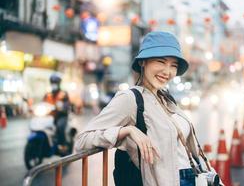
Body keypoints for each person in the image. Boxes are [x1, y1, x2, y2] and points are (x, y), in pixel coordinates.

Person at [75, 32, 213, 186]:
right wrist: (127, 131)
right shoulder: (130, 98)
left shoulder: (166, 98)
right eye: (161, 62)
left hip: (193, 177)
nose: (167, 72)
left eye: (173, 65)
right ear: (143, 62)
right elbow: (82, 140)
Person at [44, 74, 70, 149]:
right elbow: (43, 103)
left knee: (60, 127)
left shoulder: (63, 93)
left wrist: (63, 107)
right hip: (49, 116)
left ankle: (63, 145)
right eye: (52, 83)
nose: (53, 84)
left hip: (61, 116)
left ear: (59, 83)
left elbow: (67, 104)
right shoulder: (47, 94)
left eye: (55, 83)